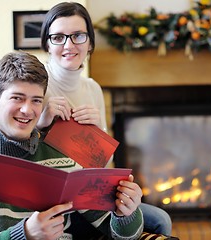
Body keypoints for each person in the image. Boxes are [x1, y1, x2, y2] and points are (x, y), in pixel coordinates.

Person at [0, 51, 144, 239]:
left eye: (36, 100)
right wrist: (25, 234)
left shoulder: (64, 154)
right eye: (17, 98)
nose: (27, 110)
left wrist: (125, 213)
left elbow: (117, 233)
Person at [38, 2, 172, 236]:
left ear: (89, 43)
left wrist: (97, 130)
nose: (69, 45)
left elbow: (103, 164)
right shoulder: (36, 84)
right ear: (47, 44)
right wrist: (41, 122)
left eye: (78, 36)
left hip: (90, 195)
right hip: (54, 202)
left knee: (160, 219)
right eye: (58, 37)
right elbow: (1, 137)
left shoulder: (92, 89)